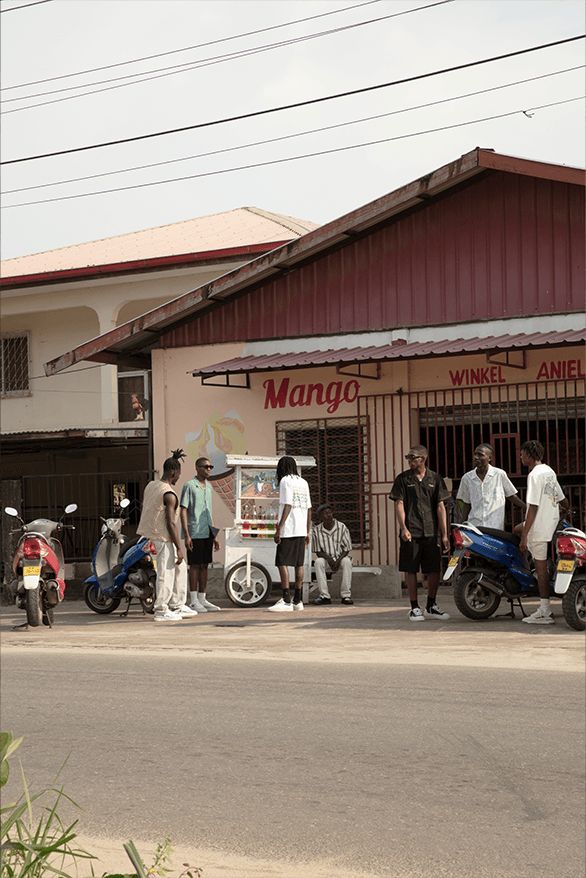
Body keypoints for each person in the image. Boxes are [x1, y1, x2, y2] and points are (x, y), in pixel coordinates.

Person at [389, 445, 451, 621]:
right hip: (411, 531)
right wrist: (403, 528)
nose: (409, 461)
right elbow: (399, 504)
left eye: (412, 457)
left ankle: (431, 605)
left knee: (433, 569)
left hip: (431, 532)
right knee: (411, 569)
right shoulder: (403, 479)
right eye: (407, 457)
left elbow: (440, 507)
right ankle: (414, 607)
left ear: (422, 459)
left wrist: (445, 534)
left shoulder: (435, 479)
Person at [137, 449, 197, 622]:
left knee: (180, 567)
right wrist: (179, 547)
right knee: (166, 572)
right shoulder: (169, 494)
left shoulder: (151, 485)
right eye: (178, 474)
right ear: (173, 472)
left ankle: (178, 605)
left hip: (154, 534)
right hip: (163, 537)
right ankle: (161, 609)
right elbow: (171, 523)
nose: (178, 478)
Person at [516, 440, 569, 625]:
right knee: (516, 528)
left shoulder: (534, 475)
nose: (520, 457)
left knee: (542, 571)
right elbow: (562, 499)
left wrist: (525, 537)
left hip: (538, 528)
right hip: (552, 524)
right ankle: (532, 563)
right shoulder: (549, 471)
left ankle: (545, 611)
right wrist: (565, 509)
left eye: (522, 454)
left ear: (529, 455)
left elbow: (532, 508)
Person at [268, 456, 312, 613]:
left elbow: (288, 505)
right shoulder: (303, 482)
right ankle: (298, 601)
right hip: (301, 529)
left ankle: (286, 600)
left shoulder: (285, 481)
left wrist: (279, 528)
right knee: (298, 564)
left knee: (282, 562)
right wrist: (307, 530)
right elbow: (308, 508)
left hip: (289, 529)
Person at [180, 457, 221, 612]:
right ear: (197, 468)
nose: (209, 469)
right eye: (205, 467)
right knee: (195, 565)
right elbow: (183, 510)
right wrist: (187, 535)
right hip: (194, 531)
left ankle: (203, 599)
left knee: (205, 565)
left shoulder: (209, 487)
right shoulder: (189, 486)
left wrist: (215, 535)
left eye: (210, 466)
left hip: (207, 531)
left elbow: (209, 512)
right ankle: (193, 600)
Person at [457, 444, 526, 530]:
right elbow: (466, 503)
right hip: (474, 526)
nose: (476, 457)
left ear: (489, 458)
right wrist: (462, 523)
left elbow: (511, 495)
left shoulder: (499, 474)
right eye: (475, 454)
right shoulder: (467, 478)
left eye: (480, 455)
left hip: (495, 526)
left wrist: (527, 508)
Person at [311, 503, 354, 605]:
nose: (329, 515)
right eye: (325, 514)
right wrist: (329, 560)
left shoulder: (341, 527)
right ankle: (324, 596)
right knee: (318, 562)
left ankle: (346, 596)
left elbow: (347, 548)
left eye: (330, 512)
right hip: (326, 559)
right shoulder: (316, 530)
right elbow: (318, 551)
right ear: (321, 517)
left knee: (347, 562)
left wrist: (337, 561)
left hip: (341, 558)